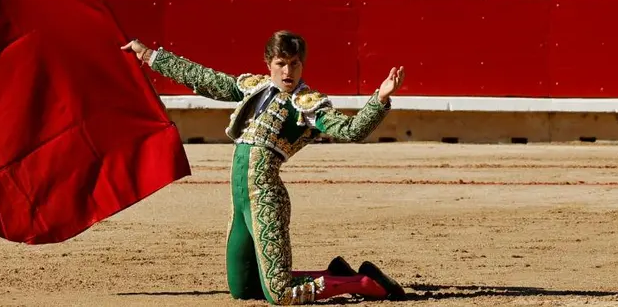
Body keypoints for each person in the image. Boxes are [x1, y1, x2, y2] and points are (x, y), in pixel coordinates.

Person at [120, 31, 407, 304]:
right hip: (240, 203)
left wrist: (379, 99)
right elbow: (205, 78)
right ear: (268, 64)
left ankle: (366, 284)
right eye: (281, 64)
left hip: (267, 199)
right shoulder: (252, 87)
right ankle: (334, 275)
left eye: (294, 64)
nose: (288, 72)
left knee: (281, 294)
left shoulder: (308, 104)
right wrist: (148, 55)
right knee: (244, 288)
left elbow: (350, 130)